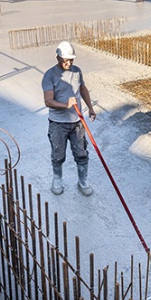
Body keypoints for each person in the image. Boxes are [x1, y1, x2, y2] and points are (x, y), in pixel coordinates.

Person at [42, 41, 96, 196]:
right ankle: (57, 179)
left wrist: (90, 108)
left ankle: (82, 181)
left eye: (71, 59)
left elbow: (83, 89)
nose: (68, 63)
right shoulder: (50, 75)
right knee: (58, 154)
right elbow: (48, 101)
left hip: (77, 122)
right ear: (57, 57)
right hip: (58, 123)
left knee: (81, 153)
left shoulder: (77, 72)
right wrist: (66, 104)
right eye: (65, 59)